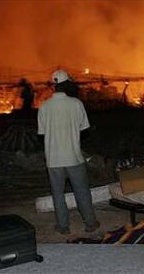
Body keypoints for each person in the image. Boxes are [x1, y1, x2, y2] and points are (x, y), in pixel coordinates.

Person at [37, 70, 100, 235]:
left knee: (58, 194)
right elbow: (84, 129)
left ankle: (63, 226)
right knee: (82, 191)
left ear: (53, 86)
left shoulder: (44, 107)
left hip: (53, 159)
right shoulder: (76, 104)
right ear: (67, 84)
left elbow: (42, 132)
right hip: (74, 157)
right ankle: (90, 223)